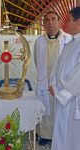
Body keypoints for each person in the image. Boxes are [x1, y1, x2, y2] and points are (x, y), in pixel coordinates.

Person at [34, 11, 71, 146]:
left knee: (59, 109)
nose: (50, 23)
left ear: (59, 21)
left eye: (53, 19)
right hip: (44, 82)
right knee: (45, 108)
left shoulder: (68, 40)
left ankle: (59, 136)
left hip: (61, 83)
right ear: (43, 24)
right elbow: (36, 60)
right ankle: (45, 135)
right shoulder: (39, 41)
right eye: (47, 20)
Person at [48, 6, 80, 150]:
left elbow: (77, 75)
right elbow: (60, 67)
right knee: (62, 134)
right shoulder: (72, 42)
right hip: (65, 98)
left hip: (73, 100)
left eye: (70, 20)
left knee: (72, 137)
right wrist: (55, 85)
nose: (66, 24)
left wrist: (60, 91)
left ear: (79, 22)